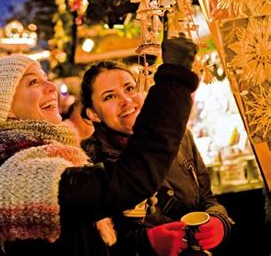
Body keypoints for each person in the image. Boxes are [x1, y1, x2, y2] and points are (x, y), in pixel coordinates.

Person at [0, 35, 199, 256]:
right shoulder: (25, 175)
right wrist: (174, 79)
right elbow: (131, 179)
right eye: (33, 82)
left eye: (46, 78)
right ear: (7, 110)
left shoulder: (50, 160)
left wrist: (146, 242)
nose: (51, 87)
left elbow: (85, 242)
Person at [80, 57, 233, 255]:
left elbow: (207, 199)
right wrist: (146, 242)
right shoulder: (87, 163)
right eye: (109, 97)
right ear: (93, 114)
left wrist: (219, 221)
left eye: (129, 88)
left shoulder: (178, 136)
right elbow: (94, 246)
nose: (126, 100)